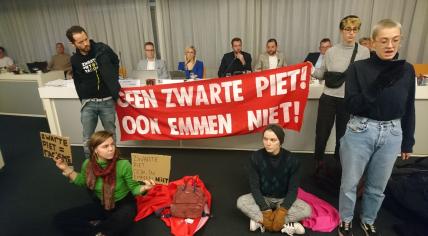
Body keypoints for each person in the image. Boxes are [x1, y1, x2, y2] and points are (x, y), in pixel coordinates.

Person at [338, 19, 415, 236]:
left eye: (395, 40)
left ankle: (368, 219)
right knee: (350, 182)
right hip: (360, 130)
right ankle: (345, 219)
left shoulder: (406, 70)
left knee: (378, 186)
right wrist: (377, 85)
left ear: (400, 42)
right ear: (372, 43)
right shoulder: (357, 68)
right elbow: (351, 104)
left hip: (392, 133)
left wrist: (408, 140)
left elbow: (409, 108)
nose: (390, 45)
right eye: (384, 41)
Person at [53, 130, 155, 236]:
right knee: (60, 218)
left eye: (112, 145)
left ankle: (100, 230)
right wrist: (65, 168)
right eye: (105, 146)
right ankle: (99, 231)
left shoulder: (124, 165)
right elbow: (81, 181)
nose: (111, 149)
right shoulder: (88, 164)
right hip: (102, 204)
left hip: (123, 203)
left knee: (124, 217)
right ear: (95, 149)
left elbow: (134, 188)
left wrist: (145, 188)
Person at [311, 16, 370, 173]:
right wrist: (309, 70)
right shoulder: (331, 51)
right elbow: (322, 73)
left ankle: (339, 166)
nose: (351, 33)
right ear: (341, 31)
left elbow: (365, 76)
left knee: (343, 137)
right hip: (328, 98)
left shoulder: (364, 52)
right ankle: (318, 162)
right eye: (347, 29)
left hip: (348, 100)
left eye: (354, 29)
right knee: (321, 133)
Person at [237, 124, 311, 235]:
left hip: (283, 198)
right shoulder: (255, 157)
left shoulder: (293, 160)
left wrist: (282, 211)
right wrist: (265, 210)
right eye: (265, 139)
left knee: (307, 210)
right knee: (241, 202)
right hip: (264, 197)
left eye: (273, 140)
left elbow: (293, 189)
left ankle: (262, 223)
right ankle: (284, 225)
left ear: (280, 141)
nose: (268, 143)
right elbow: (254, 187)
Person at [66, 25, 121, 158]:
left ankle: (113, 162)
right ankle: (89, 165)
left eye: (86, 39)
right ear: (73, 44)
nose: (85, 43)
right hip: (88, 103)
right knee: (87, 137)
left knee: (111, 135)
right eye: (80, 42)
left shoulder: (101, 49)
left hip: (107, 101)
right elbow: (77, 80)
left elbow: (115, 61)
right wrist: (83, 98)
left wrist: (112, 81)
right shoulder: (75, 60)